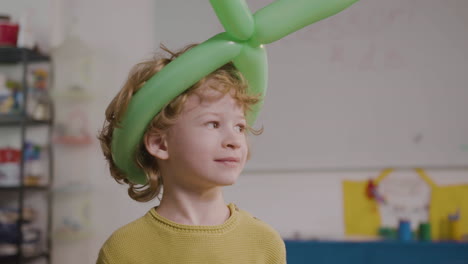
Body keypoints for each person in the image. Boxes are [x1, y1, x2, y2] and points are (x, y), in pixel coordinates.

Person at [96, 44, 286, 264]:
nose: (234, 141)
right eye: (213, 124)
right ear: (160, 144)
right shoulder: (123, 250)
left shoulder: (264, 242)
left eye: (240, 127)